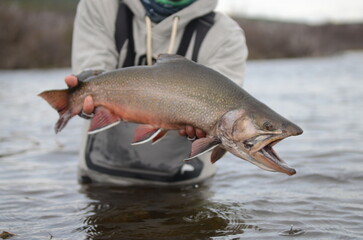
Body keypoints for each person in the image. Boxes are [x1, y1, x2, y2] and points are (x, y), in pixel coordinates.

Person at [65, 0, 248, 186]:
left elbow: (226, 113)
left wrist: (205, 127)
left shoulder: (227, 35)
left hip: (186, 185)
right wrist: (84, 91)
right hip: (101, 180)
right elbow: (93, 69)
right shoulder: (100, 5)